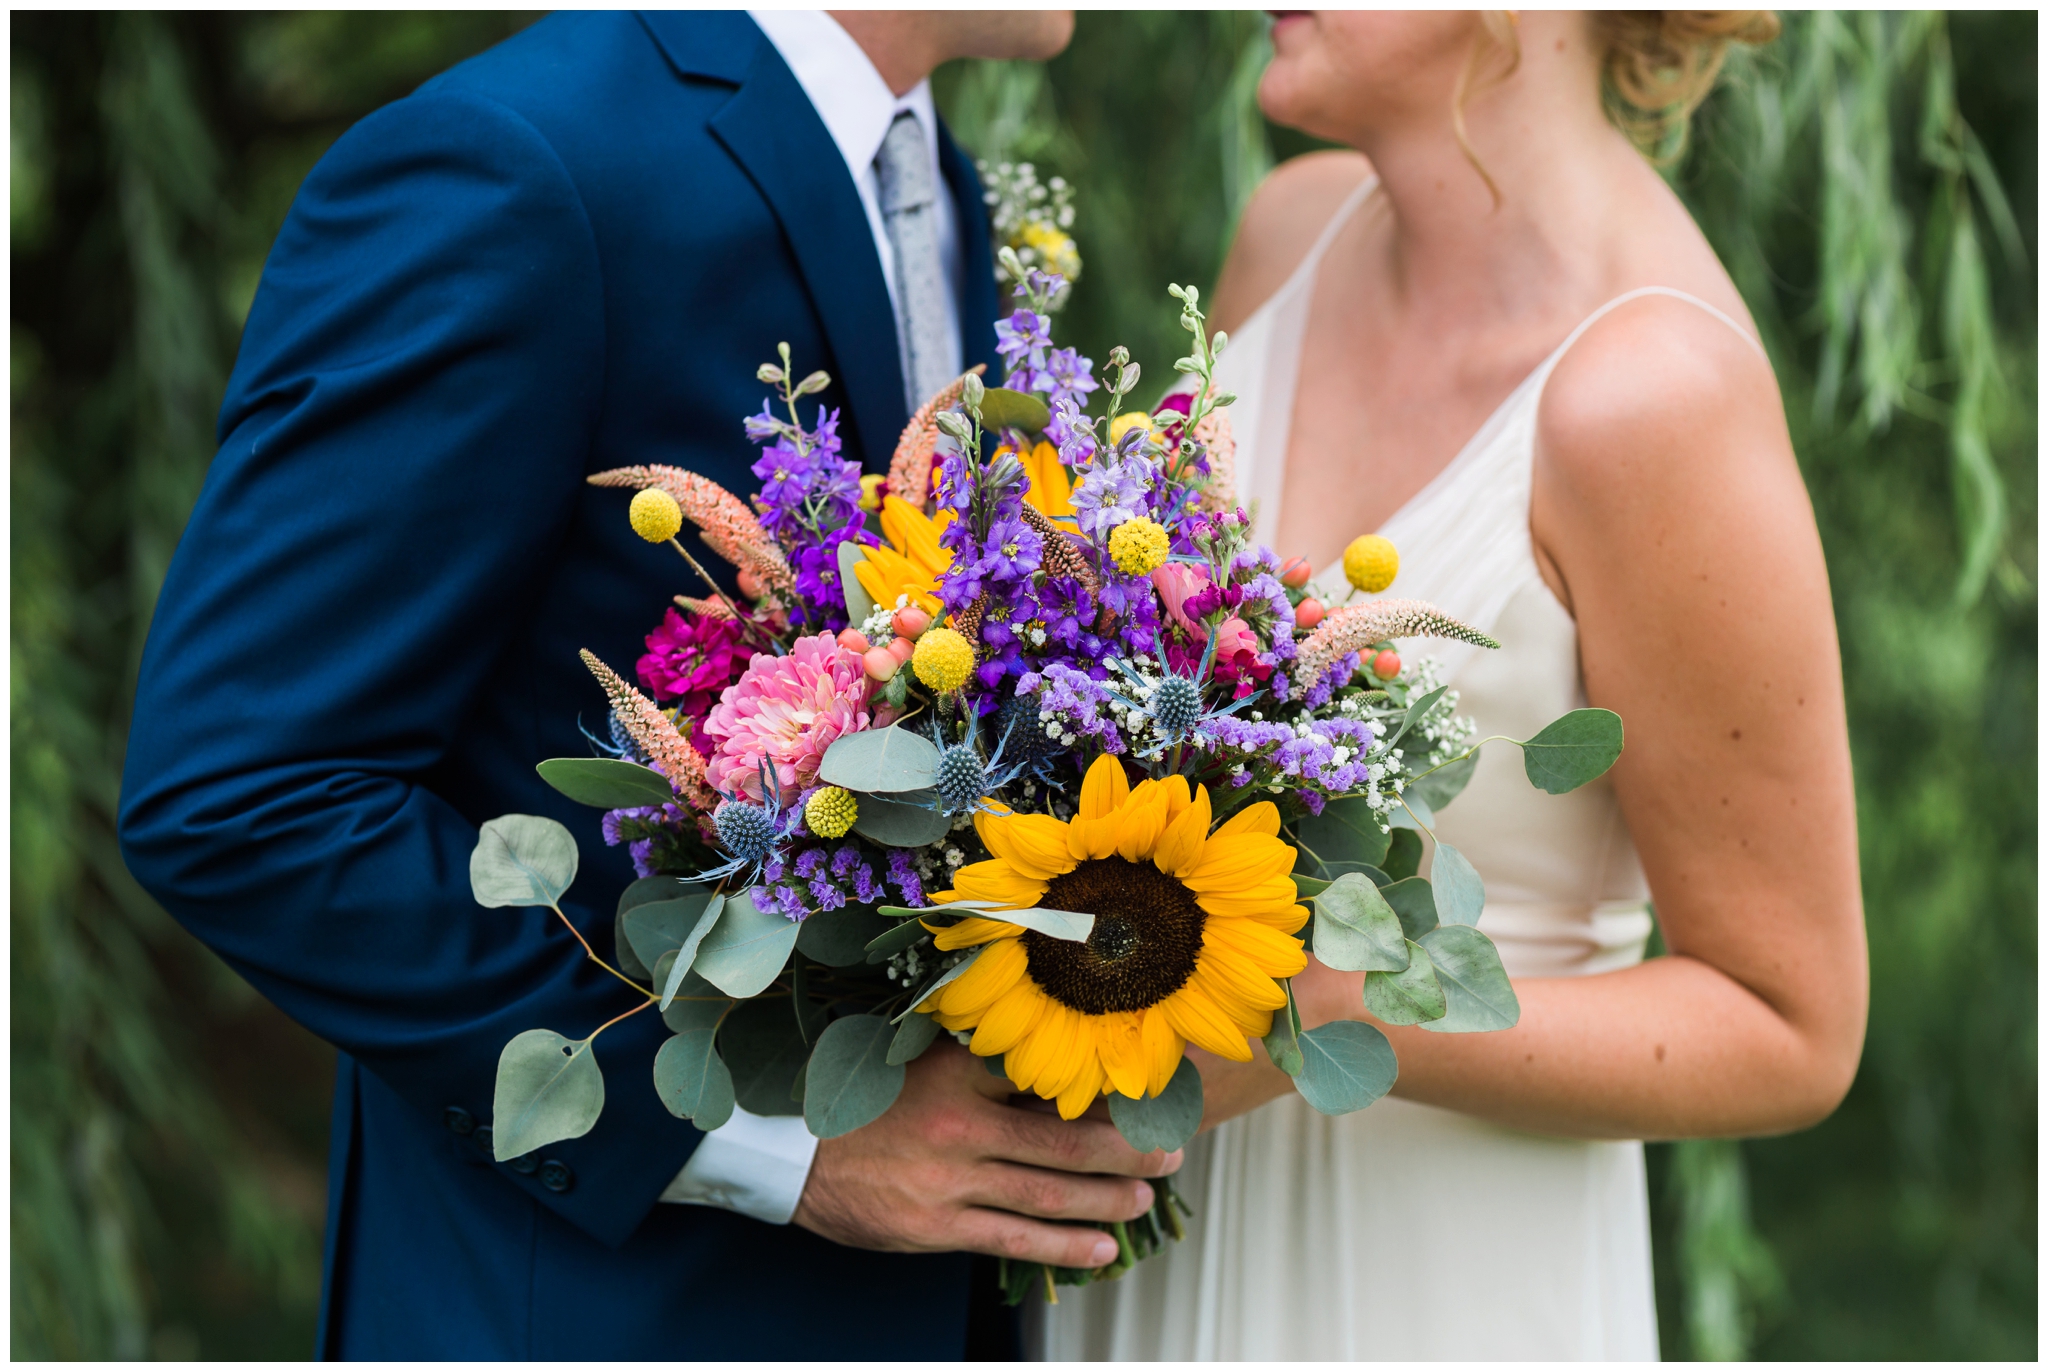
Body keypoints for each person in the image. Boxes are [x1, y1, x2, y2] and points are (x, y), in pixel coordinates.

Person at [117, 10, 1180, 1361]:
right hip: (597, 1311)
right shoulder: (517, 165)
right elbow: (244, 793)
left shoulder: (931, 177)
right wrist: (769, 1142)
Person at [1041, 11, 1867, 1359]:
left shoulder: (1654, 399)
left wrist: (1335, 1014)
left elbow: (1790, 1029)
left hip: (1432, 1283)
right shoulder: (1288, 232)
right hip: (1141, 1239)